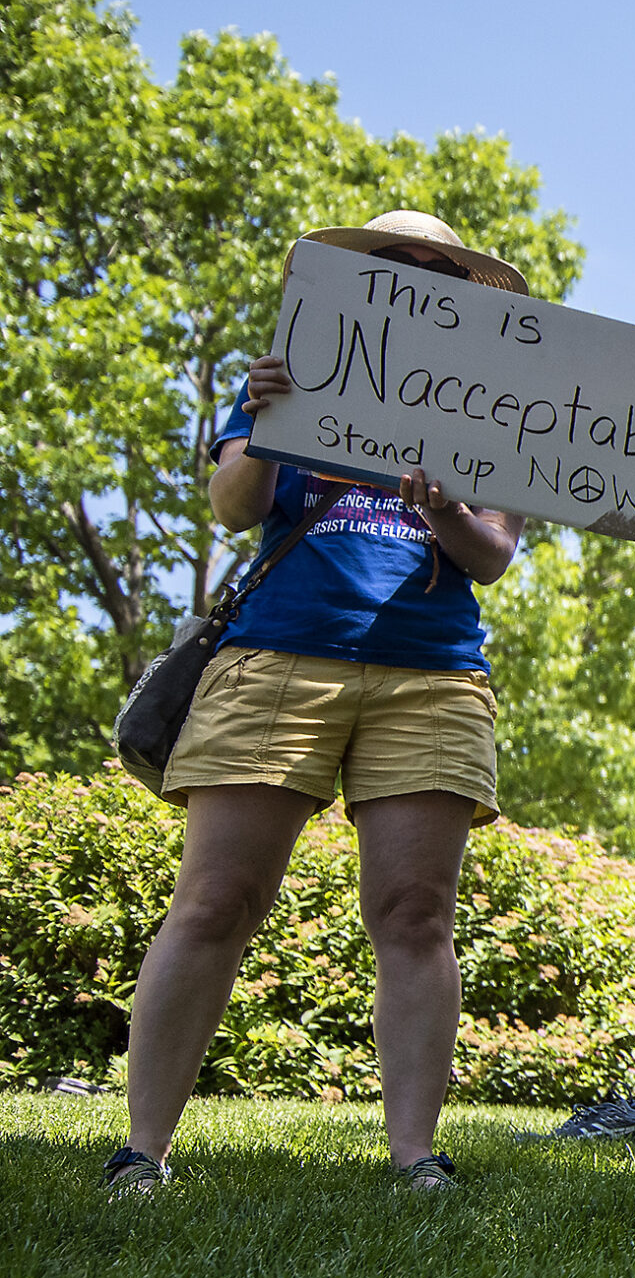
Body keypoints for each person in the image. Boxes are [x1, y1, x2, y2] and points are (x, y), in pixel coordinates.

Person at [103, 211, 532, 1195]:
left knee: (417, 912)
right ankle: (141, 1151)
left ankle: (417, 1158)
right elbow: (234, 506)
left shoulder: (495, 408)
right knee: (216, 901)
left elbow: (495, 554)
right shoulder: (290, 375)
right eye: (397, 264)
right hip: (275, 659)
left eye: (440, 270)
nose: (419, 280)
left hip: (433, 675)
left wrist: (444, 509)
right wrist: (262, 424)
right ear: (359, 279)